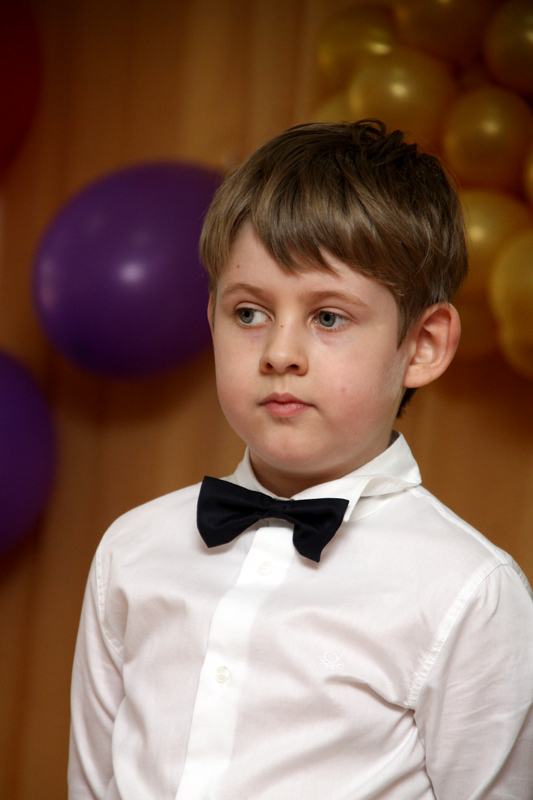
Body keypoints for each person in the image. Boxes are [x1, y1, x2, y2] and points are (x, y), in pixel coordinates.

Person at [68, 120, 533, 800]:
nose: (279, 353)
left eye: (328, 317)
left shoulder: (469, 592)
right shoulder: (131, 551)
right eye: (249, 313)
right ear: (211, 318)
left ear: (423, 345)